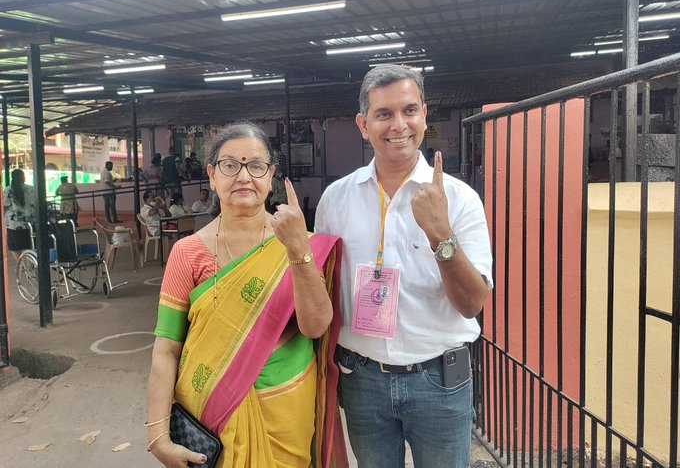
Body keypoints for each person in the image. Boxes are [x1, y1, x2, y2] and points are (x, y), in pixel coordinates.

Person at [315, 64, 493, 468]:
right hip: (361, 380)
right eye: (383, 114)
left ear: (424, 115)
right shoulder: (335, 200)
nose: (399, 125)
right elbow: (321, 292)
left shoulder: (460, 199)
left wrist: (440, 236)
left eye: (409, 110)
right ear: (363, 124)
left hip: (440, 381)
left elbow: (472, 304)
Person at [146, 122, 346, 468]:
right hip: (213, 418)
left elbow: (315, 327)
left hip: (286, 410)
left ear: (270, 177)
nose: (243, 176)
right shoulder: (187, 253)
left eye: (255, 166)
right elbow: (167, 349)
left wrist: (298, 249)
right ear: (211, 175)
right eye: (229, 165)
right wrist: (158, 436)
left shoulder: (301, 243)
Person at [3, 169, 35, 260]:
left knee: (15, 247)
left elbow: (5, 205)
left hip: (13, 224)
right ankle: (32, 262)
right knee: (30, 244)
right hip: (30, 222)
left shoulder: (9, 190)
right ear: (23, 177)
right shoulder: (32, 189)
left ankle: (22, 265)